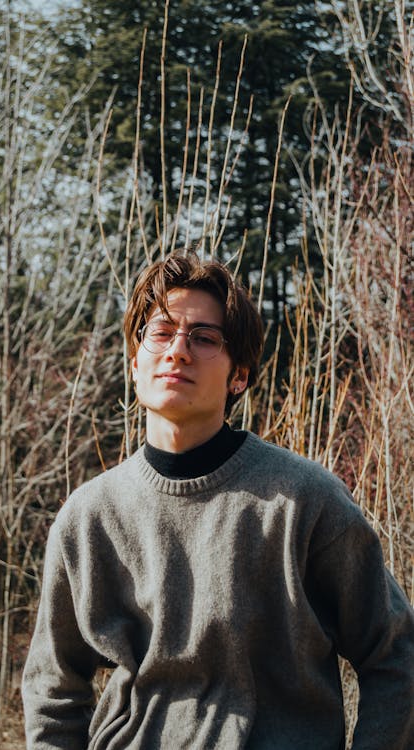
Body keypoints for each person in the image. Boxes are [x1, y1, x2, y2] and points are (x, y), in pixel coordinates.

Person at [22, 252, 414, 749]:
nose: (178, 351)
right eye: (160, 333)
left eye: (204, 338)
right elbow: (52, 690)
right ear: (134, 361)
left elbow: (396, 653)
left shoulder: (303, 502)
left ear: (240, 376)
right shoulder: (88, 518)